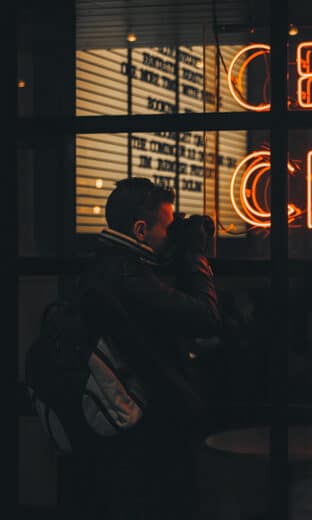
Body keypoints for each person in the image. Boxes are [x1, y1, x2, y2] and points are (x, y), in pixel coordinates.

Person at [74, 177, 221, 519]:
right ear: (141, 231)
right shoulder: (127, 277)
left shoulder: (106, 266)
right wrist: (196, 255)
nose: (172, 235)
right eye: (168, 228)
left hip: (121, 437)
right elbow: (207, 316)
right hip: (144, 438)